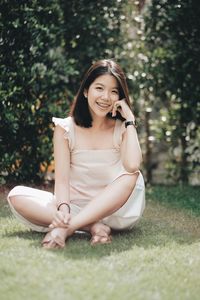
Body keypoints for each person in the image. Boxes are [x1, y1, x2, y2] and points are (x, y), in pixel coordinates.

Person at [7, 59, 145, 249]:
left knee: (132, 177)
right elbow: (62, 180)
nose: (106, 97)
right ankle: (92, 226)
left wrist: (130, 120)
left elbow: (133, 165)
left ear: (120, 98)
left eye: (114, 91)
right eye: (99, 88)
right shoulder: (65, 128)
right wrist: (63, 209)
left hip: (114, 210)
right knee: (16, 195)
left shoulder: (122, 129)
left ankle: (68, 228)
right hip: (75, 206)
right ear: (86, 91)